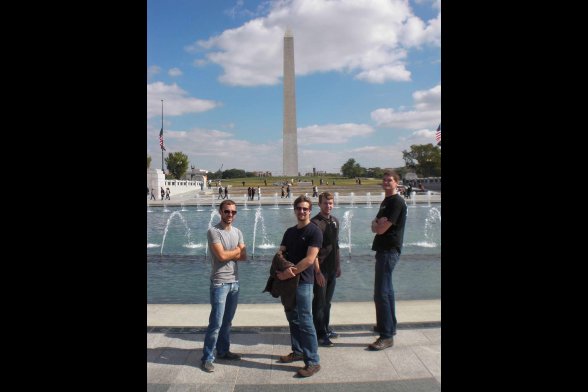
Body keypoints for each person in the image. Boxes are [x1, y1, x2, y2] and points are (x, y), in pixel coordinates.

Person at [276, 195, 323, 377]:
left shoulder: (314, 231)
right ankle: (298, 351)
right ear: (295, 210)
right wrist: (280, 265)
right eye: (299, 208)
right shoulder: (289, 232)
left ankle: (313, 361)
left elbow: (310, 259)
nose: (302, 211)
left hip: (303, 281)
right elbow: (281, 251)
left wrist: (290, 272)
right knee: (292, 317)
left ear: (310, 211)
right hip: (288, 283)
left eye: (305, 209)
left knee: (305, 320)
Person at [201, 199, 247, 373]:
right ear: (220, 212)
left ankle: (223, 351)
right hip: (219, 282)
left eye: (233, 212)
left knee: (227, 322)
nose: (230, 215)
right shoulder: (213, 231)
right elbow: (220, 256)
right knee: (216, 323)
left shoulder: (238, 232)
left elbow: (244, 257)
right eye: (227, 211)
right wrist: (236, 251)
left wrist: (234, 253)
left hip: (235, 282)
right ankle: (207, 357)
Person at [368, 170, 407, 351]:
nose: (386, 182)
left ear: (396, 183)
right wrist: (377, 224)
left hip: (389, 249)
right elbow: (374, 224)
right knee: (388, 291)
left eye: (389, 180)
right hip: (384, 249)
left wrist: (378, 225)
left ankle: (386, 335)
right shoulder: (386, 201)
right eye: (384, 180)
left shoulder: (397, 202)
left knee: (381, 292)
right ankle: (389, 324)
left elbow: (381, 229)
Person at [310, 192, 341, 347]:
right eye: (325, 203)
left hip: (331, 268)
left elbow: (336, 245)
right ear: (319, 204)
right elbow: (313, 250)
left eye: (330, 203)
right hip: (320, 269)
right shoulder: (315, 223)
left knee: (327, 302)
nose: (328, 206)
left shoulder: (335, 221)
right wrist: (317, 271)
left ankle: (326, 328)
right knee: (319, 302)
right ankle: (319, 333)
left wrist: (338, 265)